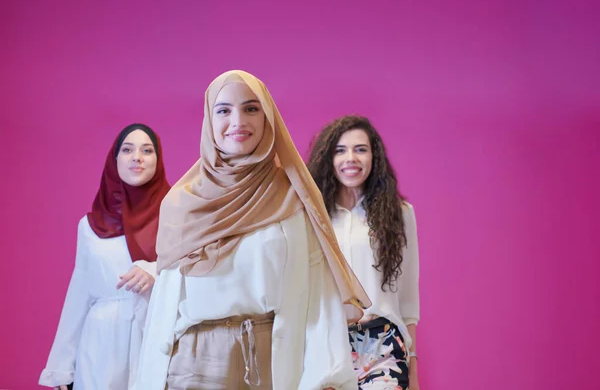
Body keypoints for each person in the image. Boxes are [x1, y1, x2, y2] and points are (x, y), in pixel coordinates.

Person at [135, 70, 371, 390]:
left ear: (267, 117)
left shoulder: (291, 196)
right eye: (223, 110)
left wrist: (325, 376)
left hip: (267, 363)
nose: (238, 121)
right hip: (187, 366)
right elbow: (164, 305)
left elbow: (318, 294)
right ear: (209, 119)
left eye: (251, 108)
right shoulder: (180, 203)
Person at [39, 124, 171, 390]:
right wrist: (62, 367)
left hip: (156, 334)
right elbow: (79, 294)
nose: (137, 157)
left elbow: (196, 271)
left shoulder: (177, 215)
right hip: (101, 344)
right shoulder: (89, 227)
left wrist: (157, 270)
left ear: (158, 161)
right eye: (127, 149)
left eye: (147, 150)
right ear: (115, 160)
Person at [307, 115, 421, 390]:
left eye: (360, 149)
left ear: (374, 157)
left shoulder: (399, 214)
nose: (351, 158)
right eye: (340, 150)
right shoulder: (311, 216)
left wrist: (413, 365)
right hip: (325, 343)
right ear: (328, 159)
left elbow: (407, 300)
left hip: (382, 345)